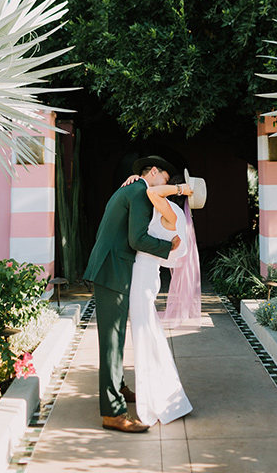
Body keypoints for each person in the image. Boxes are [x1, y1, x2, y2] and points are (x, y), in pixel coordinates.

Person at [83, 154, 182, 434]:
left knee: (115, 338)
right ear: (153, 172)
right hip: (111, 270)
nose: (165, 186)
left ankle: (119, 387)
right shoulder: (139, 192)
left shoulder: (133, 187)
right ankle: (113, 413)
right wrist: (168, 246)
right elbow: (136, 239)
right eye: (164, 180)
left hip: (110, 266)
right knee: (111, 342)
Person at [128, 175, 194, 426]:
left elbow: (152, 193)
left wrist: (178, 189)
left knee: (145, 339)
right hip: (145, 276)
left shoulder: (170, 211)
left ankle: (154, 405)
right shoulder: (165, 212)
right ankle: (166, 397)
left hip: (143, 277)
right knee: (149, 337)